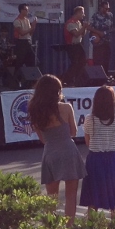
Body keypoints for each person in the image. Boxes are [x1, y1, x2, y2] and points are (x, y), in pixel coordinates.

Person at [28, 74, 86, 219]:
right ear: (57, 91)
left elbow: (43, 140)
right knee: (71, 196)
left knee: (51, 198)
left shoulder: (35, 110)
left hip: (50, 154)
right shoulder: (66, 108)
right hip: (69, 152)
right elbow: (73, 132)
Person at [79, 85, 115, 213]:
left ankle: (92, 227)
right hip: (113, 159)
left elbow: (87, 141)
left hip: (95, 160)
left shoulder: (89, 119)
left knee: (93, 197)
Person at [89, 0, 114, 72]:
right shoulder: (95, 16)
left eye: (108, 9)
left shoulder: (110, 15)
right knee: (98, 60)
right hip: (98, 42)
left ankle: (105, 77)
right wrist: (99, 33)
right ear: (101, 8)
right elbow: (89, 27)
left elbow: (112, 27)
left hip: (107, 41)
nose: (107, 10)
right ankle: (97, 76)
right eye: (105, 8)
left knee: (106, 60)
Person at [64, 6, 88, 71]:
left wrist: (85, 27)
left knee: (83, 61)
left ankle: (78, 78)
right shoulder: (70, 23)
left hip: (78, 44)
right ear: (78, 13)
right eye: (82, 13)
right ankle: (68, 78)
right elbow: (76, 34)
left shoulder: (78, 22)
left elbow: (82, 34)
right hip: (72, 46)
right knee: (75, 63)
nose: (84, 15)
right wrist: (83, 27)